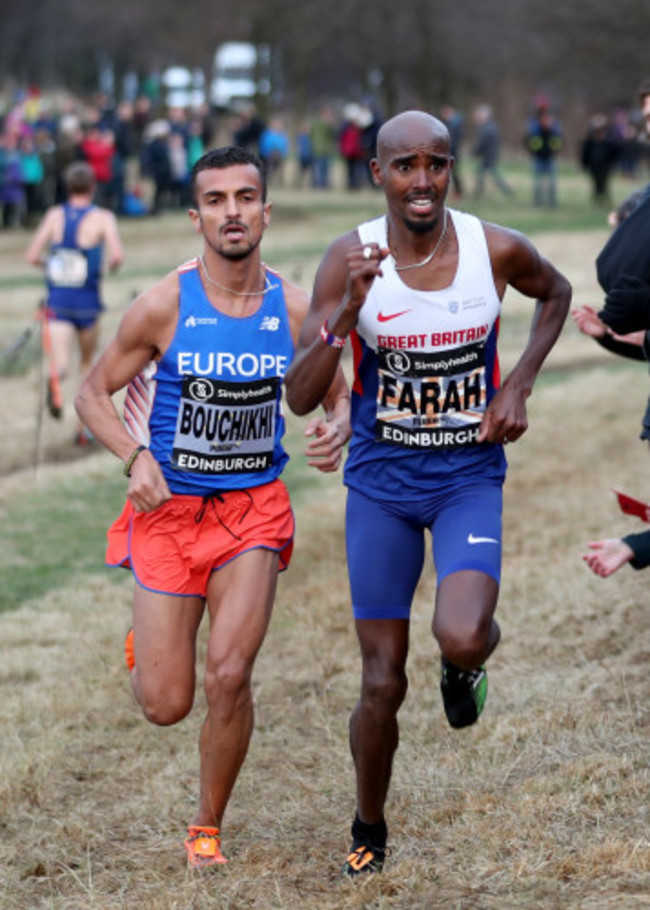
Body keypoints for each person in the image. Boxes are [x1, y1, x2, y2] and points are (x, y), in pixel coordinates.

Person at [284, 110, 571, 877]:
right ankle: (368, 823)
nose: (421, 181)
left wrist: (518, 384)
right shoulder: (347, 255)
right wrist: (346, 310)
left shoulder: (493, 247)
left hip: (466, 474)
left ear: (451, 169)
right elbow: (302, 397)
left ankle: (465, 666)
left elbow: (558, 293)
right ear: (377, 173)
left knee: (464, 634)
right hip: (381, 482)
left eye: (435, 164)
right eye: (404, 166)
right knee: (381, 679)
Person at [74, 146, 350, 869]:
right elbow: (89, 394)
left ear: (266, 209)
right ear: (197, 216)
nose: (234, 212)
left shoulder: (292, 307)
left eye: (246, 197)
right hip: (168, 517)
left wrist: (340, 423)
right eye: (218, 200)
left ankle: (206, 827)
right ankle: (147, 645)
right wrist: (135, 458)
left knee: (230, 672)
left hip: (251, 510)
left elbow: (335, 388)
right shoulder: (166, 303)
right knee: (166, 702)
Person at [25, 160, 124, 443]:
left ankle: (54, 382)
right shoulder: (103, 218)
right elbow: (117, 257)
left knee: (62, 365)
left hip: (58, 300)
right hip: (87, 303)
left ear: (68, 187)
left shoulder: (54, 215)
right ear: (93, 187)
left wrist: (54, 263)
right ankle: (85, 430)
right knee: (88, 365)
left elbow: (32, 256)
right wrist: (99, 266)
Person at [472, 103, 513, 199]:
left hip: (488, 156)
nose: (478, 118)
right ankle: (479, 191)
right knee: (484, 174)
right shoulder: (491, 126)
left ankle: (506, 190)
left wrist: (475, 152)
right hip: (490, 155)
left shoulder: (487, 128)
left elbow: (483, 143)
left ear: (484, 116)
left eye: (479, 116)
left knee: (491, 174)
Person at [525, 105, 563, 207]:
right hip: (539, 159)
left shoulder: (554, 131)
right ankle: (537, 203)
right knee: (537, 184)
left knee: (552, 183)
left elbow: (558, 144)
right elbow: (530, 143)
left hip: (550, 159)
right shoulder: (535, 131)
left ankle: (552, 203)